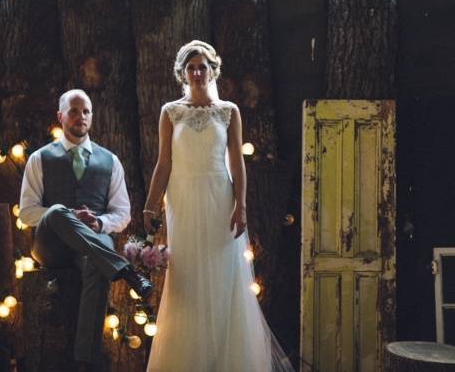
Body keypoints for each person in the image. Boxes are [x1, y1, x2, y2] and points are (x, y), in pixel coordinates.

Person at [143, 41, 294, 372]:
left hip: (218, 199)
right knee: (186, 278)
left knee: (224, 278)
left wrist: (241, 206)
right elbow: (164, 162)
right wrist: (150, 205)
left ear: (213, 70)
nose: (197, 73)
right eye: (191, 67)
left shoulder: (228, 111)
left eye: (203, 67)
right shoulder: (171, 111)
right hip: (182, 201)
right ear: (182, 73)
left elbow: (236, 162)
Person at [19, 89, 153, 369]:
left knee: (99, 254)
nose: (81, 117)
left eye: (86, 112)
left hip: (91, 249)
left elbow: (122, 213)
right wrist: (69, 216)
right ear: (60, 116)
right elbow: (28, 212)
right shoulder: (39, 158)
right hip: (50, 247)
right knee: (57, 211)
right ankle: (126, 272)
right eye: (74, 111)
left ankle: (85, 360)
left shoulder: (110, 161)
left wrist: (100, 223)